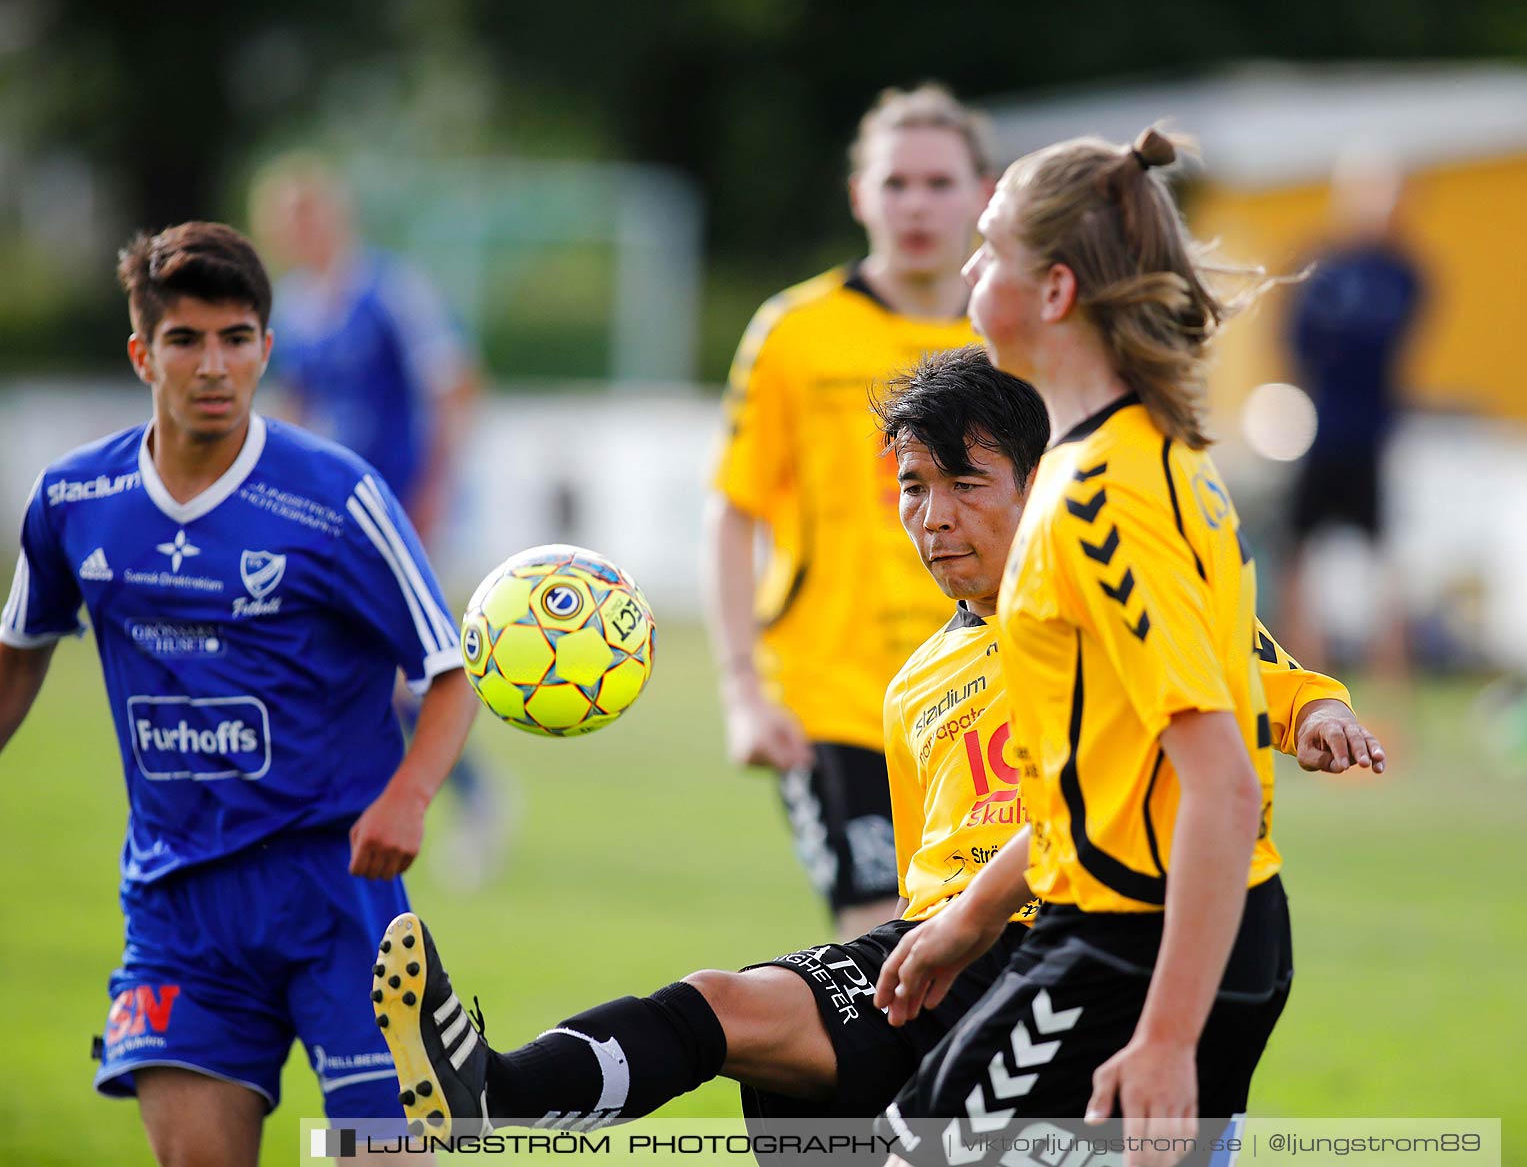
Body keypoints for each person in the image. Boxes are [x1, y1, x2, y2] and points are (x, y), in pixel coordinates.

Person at [367, 347, 1382, 1139]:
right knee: (729, 1010)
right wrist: (920, 943)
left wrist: (1322, 714)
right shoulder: (916, 685)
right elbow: (928, 871)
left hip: (1072, 944)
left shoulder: (1107, 599)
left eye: (965, 484)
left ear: (1037, 483)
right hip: (939, 952)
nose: (933, 518)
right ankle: (493, 1090)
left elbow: (1251, 678)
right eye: (911, 488)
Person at [871, 128, 1326, 1167]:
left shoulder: (1104, 499)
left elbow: (1220, 784)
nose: (969, 270)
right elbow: (1105, 775)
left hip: (1134, 945)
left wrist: (1165, 1037)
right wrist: (973, 919)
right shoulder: (1116, 461)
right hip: (1119, 929)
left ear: (1058, 291)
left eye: (989, 251)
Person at [0, 221, 476, 1165]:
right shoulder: (72, 501)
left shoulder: (337, 498)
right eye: (185, 339)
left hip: (339, 895)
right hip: (176, 908)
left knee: (392, 1155)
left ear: (266, 345)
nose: (212, 365)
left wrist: (408, 798)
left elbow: (449, 670)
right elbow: (19, 653)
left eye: (236, 338)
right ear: (143, 353)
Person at [705, 85, 998, 939]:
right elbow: (733, 511)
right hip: (834, 699)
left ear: (983, 194)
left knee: (989, 936)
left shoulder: (1016, 336)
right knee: (884, 936)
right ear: (858, 195)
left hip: (988, 687)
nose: (915, 204)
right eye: (895, 182)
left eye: (939, 183)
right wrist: (743, 692)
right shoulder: (795, 331)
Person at [251, 155, 508, 888]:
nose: (298, 230)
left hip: (402, 508)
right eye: (285, 218)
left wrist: (434, 490)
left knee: (406, 664)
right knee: (352, 666)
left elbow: (456, 384)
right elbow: (295, 408)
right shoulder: (296, 308)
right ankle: (404, 804)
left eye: (308, 213)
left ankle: (471, 799)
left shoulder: (391, 291)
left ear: (336, 215)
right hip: (328, 519)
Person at [1278, 143, 1423, 674]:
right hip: (1321, 430)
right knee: (1299, 554)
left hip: (1369, 434)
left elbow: (1373, 340)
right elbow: (1298, 341)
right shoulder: (1322, 266)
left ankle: (1390, 676)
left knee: (1383, 559)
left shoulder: (1401, 273)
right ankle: (1302, 669)